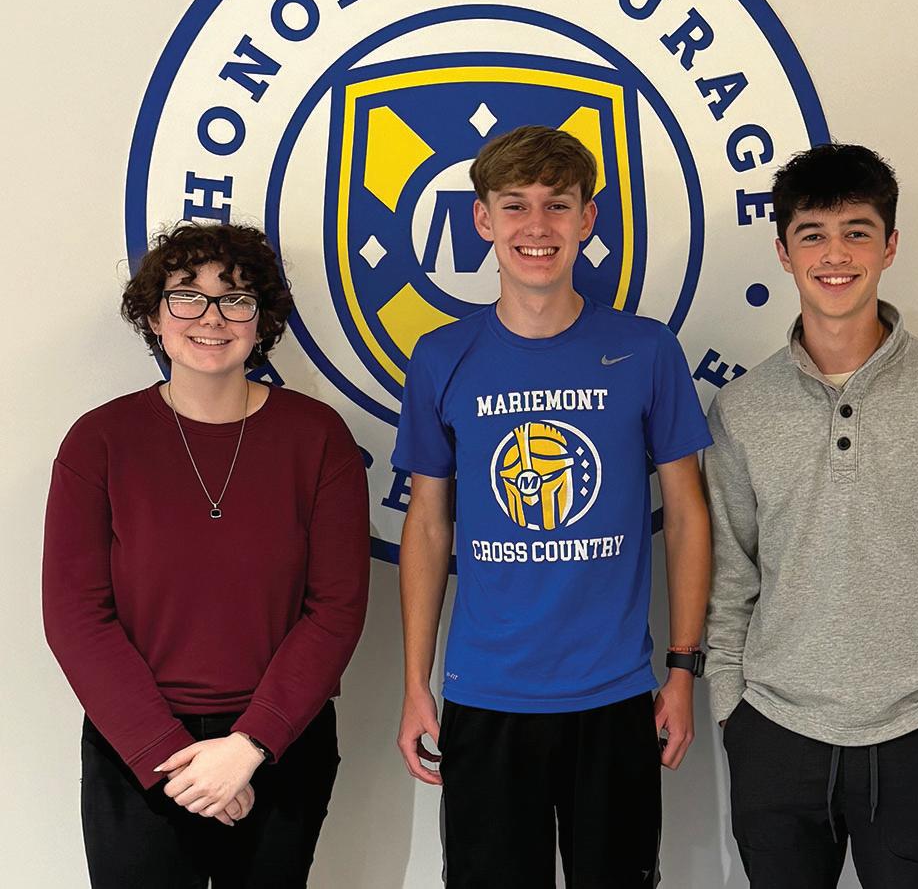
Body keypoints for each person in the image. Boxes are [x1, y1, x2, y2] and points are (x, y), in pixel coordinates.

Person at [393, 125, 712, 888]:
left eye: (557, 205)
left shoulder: (646, 350)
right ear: (482, 219)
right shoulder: (441, 356)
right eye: (514, 205)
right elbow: (428, 525)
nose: (536, 226)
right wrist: (414, 683)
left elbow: (686, 515)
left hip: (615, 692)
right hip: (485, 693)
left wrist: (681, 669)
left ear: (586, 219)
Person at [703, 143, 918, 888]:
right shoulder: (741, 409)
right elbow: (730, 572)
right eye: (812, 233)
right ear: (783, 253)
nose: (835, 254)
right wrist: (730, 707)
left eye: (857, 231)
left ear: (890, 245)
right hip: (774, 730)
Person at [43, 222, 370, 888]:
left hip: (280, 746)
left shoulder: (318, 438)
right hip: (137, 748)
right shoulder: (99, 441)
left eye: (236, 298)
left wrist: (248, 748)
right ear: (154, 316)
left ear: (261, 319)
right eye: (187, 295)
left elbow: (336, 609)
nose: (211, 317)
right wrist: (173, 759)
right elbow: (75, 617)